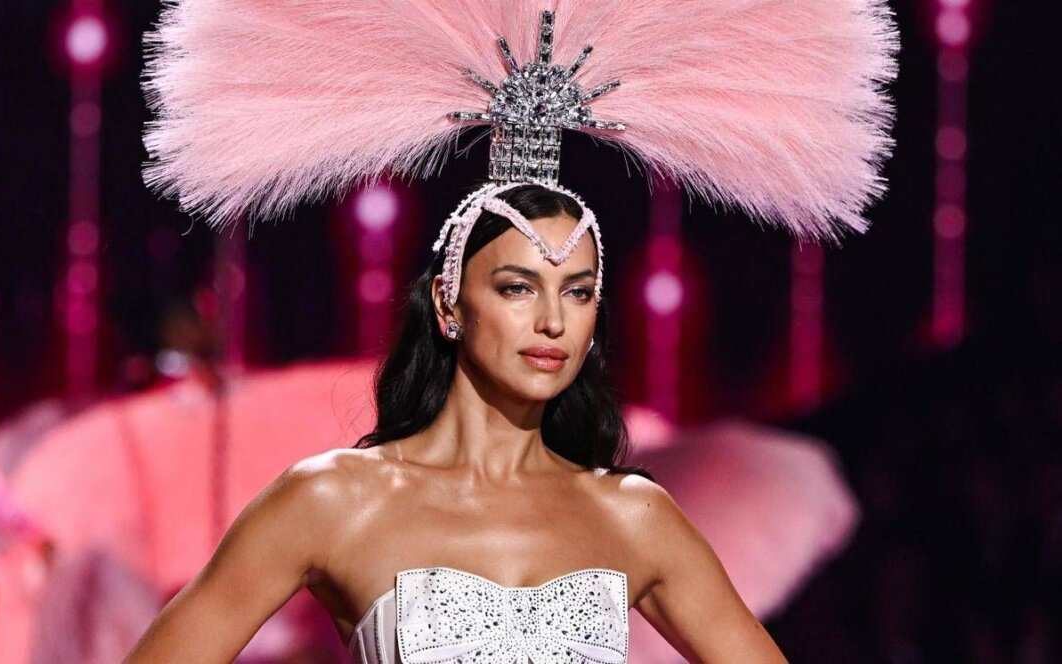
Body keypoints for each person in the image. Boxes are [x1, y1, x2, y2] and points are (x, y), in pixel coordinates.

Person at [124, 184, 787, 662]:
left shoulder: (633, 515)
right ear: (449, 304)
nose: (553, 321)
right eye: (517, 287)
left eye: (578, 292)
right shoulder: (332, 500)